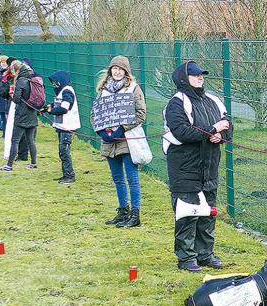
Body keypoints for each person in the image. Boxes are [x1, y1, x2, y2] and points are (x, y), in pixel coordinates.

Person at [163, 60, 231, 273]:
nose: (200, 77)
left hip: (209, 166)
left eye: (201, 74)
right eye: (195, 75)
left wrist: (220, 136)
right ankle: (186, 257)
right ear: (184, 79)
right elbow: (181, 132)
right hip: (185, 167)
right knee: (187, 213)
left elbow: (228, 125)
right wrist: (212, 129)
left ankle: (205, 254)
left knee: (208, 213)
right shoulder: (176, 103)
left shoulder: (213, 100)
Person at [93, 56, 147, 227]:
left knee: (132, 178)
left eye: (120, 69)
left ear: (126, 71)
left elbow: (140, 113)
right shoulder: (103, 90)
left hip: (128, 139)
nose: (117, 72)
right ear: (110, 70)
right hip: (109, 140)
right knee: (117, 178)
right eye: (114, 68)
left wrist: (122, 128)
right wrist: (100, 130)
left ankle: (135, 214)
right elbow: (95, 113)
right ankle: (123, 211)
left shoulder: (133, 88)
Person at [0, 59, 39, 172]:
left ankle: (9, 165)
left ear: (16, 70)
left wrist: (13, 93)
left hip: (22, 114)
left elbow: (16, 99)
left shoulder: (21, 81)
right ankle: (33, 163)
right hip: (32, 113)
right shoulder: (32, 77)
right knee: (31, 140)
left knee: (15, 140)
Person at [46, 70, 79, 184]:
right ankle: (65, 174)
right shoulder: (62, 91)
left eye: (55, 83)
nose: (54, 85)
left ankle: (70, 176)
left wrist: (51, 111)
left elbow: (64, 108)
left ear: (61, 81)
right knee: (62, 152)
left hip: (67, 126)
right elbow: (59, 103)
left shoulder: (67, 91)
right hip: (62, 126)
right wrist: (49, 106)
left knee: (64, 151)